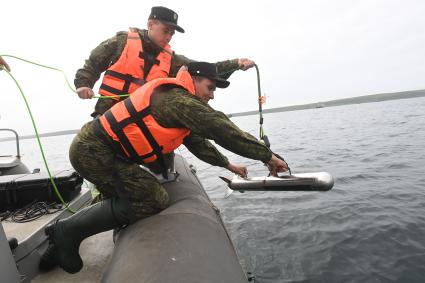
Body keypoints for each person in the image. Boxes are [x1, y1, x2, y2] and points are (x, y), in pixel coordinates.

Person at [40, 62, 288, 274]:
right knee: (152, 197)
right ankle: (66, 231)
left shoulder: (178, 102)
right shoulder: (178, 100)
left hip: (103, 151)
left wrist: (229, 165)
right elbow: (221, 128)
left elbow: (198, 143)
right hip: (93, 152)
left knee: (131, 192)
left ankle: (54, 248)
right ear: (194, 79)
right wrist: (267, 156)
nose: (212, 95)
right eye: (210, 87)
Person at [75, 6, 255, 117]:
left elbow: (205, 69)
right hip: (108, 113)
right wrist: (84, 85)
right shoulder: (121, 41)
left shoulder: (172, 60)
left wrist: (236, 63)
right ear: (151, 24)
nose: (169, 37)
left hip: (143, 118)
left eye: (172, 34)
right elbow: (92, 64)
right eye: (166, 31)